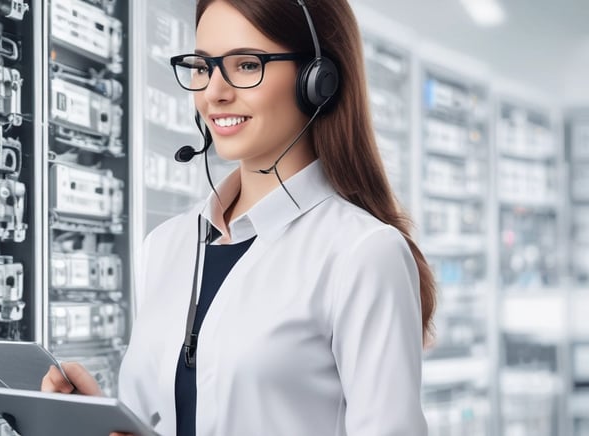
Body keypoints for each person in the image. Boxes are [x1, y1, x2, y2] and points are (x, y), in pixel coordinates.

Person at [42, 0, 436, 435]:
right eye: (202, 66)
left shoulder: (361, 253)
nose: (214, 92)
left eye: (246, 65)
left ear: (318, 80)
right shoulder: (166, 245)